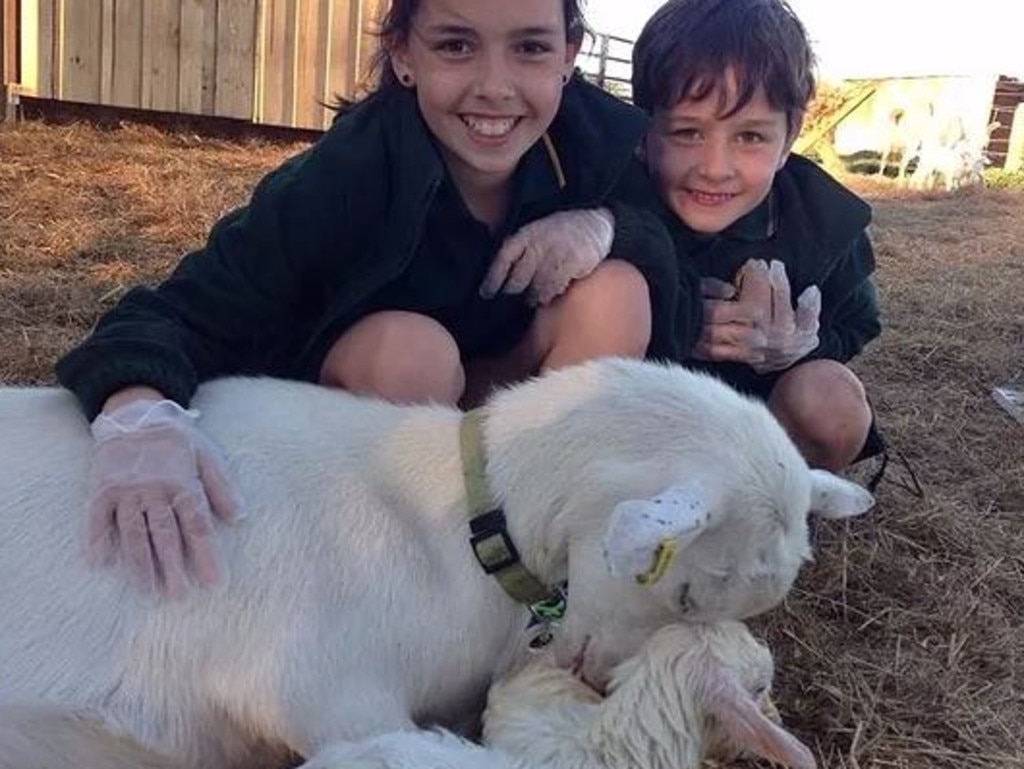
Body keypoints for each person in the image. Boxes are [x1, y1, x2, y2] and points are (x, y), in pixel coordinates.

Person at [55, 0, 700, 598]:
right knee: (407, 353)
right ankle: (403, 568)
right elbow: (182, 310)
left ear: (569, 54)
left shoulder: (604, 146)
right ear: (402, 54)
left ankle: (547, 538)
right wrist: (135, 407)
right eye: (456, 44)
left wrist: (610, 228)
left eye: (530, 48)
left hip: (517, 410)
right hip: (378, 421)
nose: (496, 86)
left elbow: (678, 288)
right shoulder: (340, 178)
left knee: (618, 290)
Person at [510, 0, 882, 474]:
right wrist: (673, 322)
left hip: (747, 425)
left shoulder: (824, 225)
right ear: (644, 132)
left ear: (789, 139)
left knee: (832, 401)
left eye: (750, 137)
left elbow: (859, 323)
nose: (714, 168)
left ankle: (763, 509)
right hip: (629, 421)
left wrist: (799, 346)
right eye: (687, 132)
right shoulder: (606, 188)